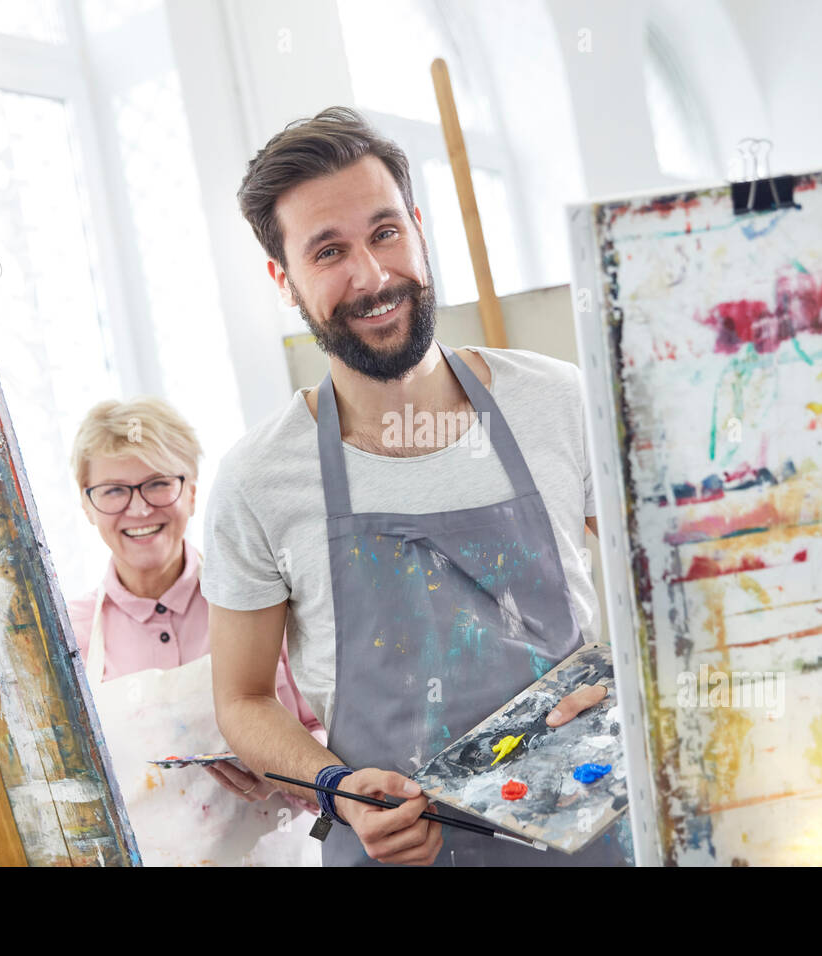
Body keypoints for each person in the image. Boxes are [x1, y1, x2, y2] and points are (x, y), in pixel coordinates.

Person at [203, 106, 630, 867]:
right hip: (394, 854)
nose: (371, 276)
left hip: (592, 835)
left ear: (419, 228)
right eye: (329, 251)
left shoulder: (560, 401)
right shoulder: (256, 479)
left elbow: (661, 591)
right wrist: (335, 788)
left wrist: (633, 689)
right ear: (285, 280)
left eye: (385, 232)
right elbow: (242, 697)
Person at [66, 396, 325, 865]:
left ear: (190, 491)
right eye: (113, 491)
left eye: (158, 484)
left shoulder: (264, 603)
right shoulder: (69, 638)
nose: (139, 509)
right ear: (86, 504)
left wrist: (287, 771)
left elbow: (324, 732)